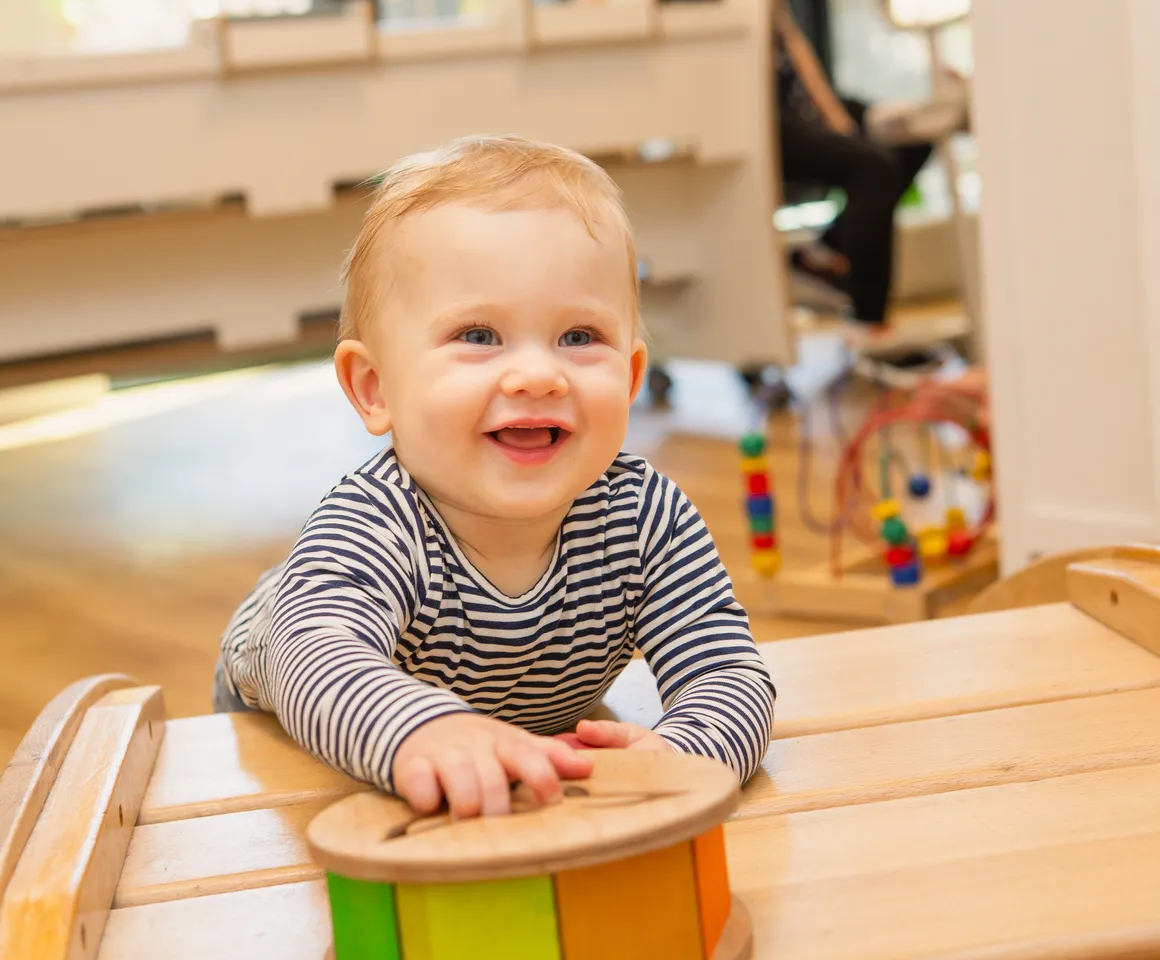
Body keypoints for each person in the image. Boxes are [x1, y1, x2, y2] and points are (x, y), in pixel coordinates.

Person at [213, 135, 777, 820]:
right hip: (301, 728)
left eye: (579, 337)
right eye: (479, 336)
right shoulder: (375, 523)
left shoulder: (645, 517)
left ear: (630, 379)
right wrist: (425, 729)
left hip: (518, 736)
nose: (539, 375)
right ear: (374, 388)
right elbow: (313, 656)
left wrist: (687, 752)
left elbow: (727, 672)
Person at [775, 2, 933, 327]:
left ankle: (826, 251)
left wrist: (833, 113)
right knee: (874, 166)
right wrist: (836, 124)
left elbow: (794, 43)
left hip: (803, 101)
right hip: (770, 119)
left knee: (914, 135)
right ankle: (869, 317)